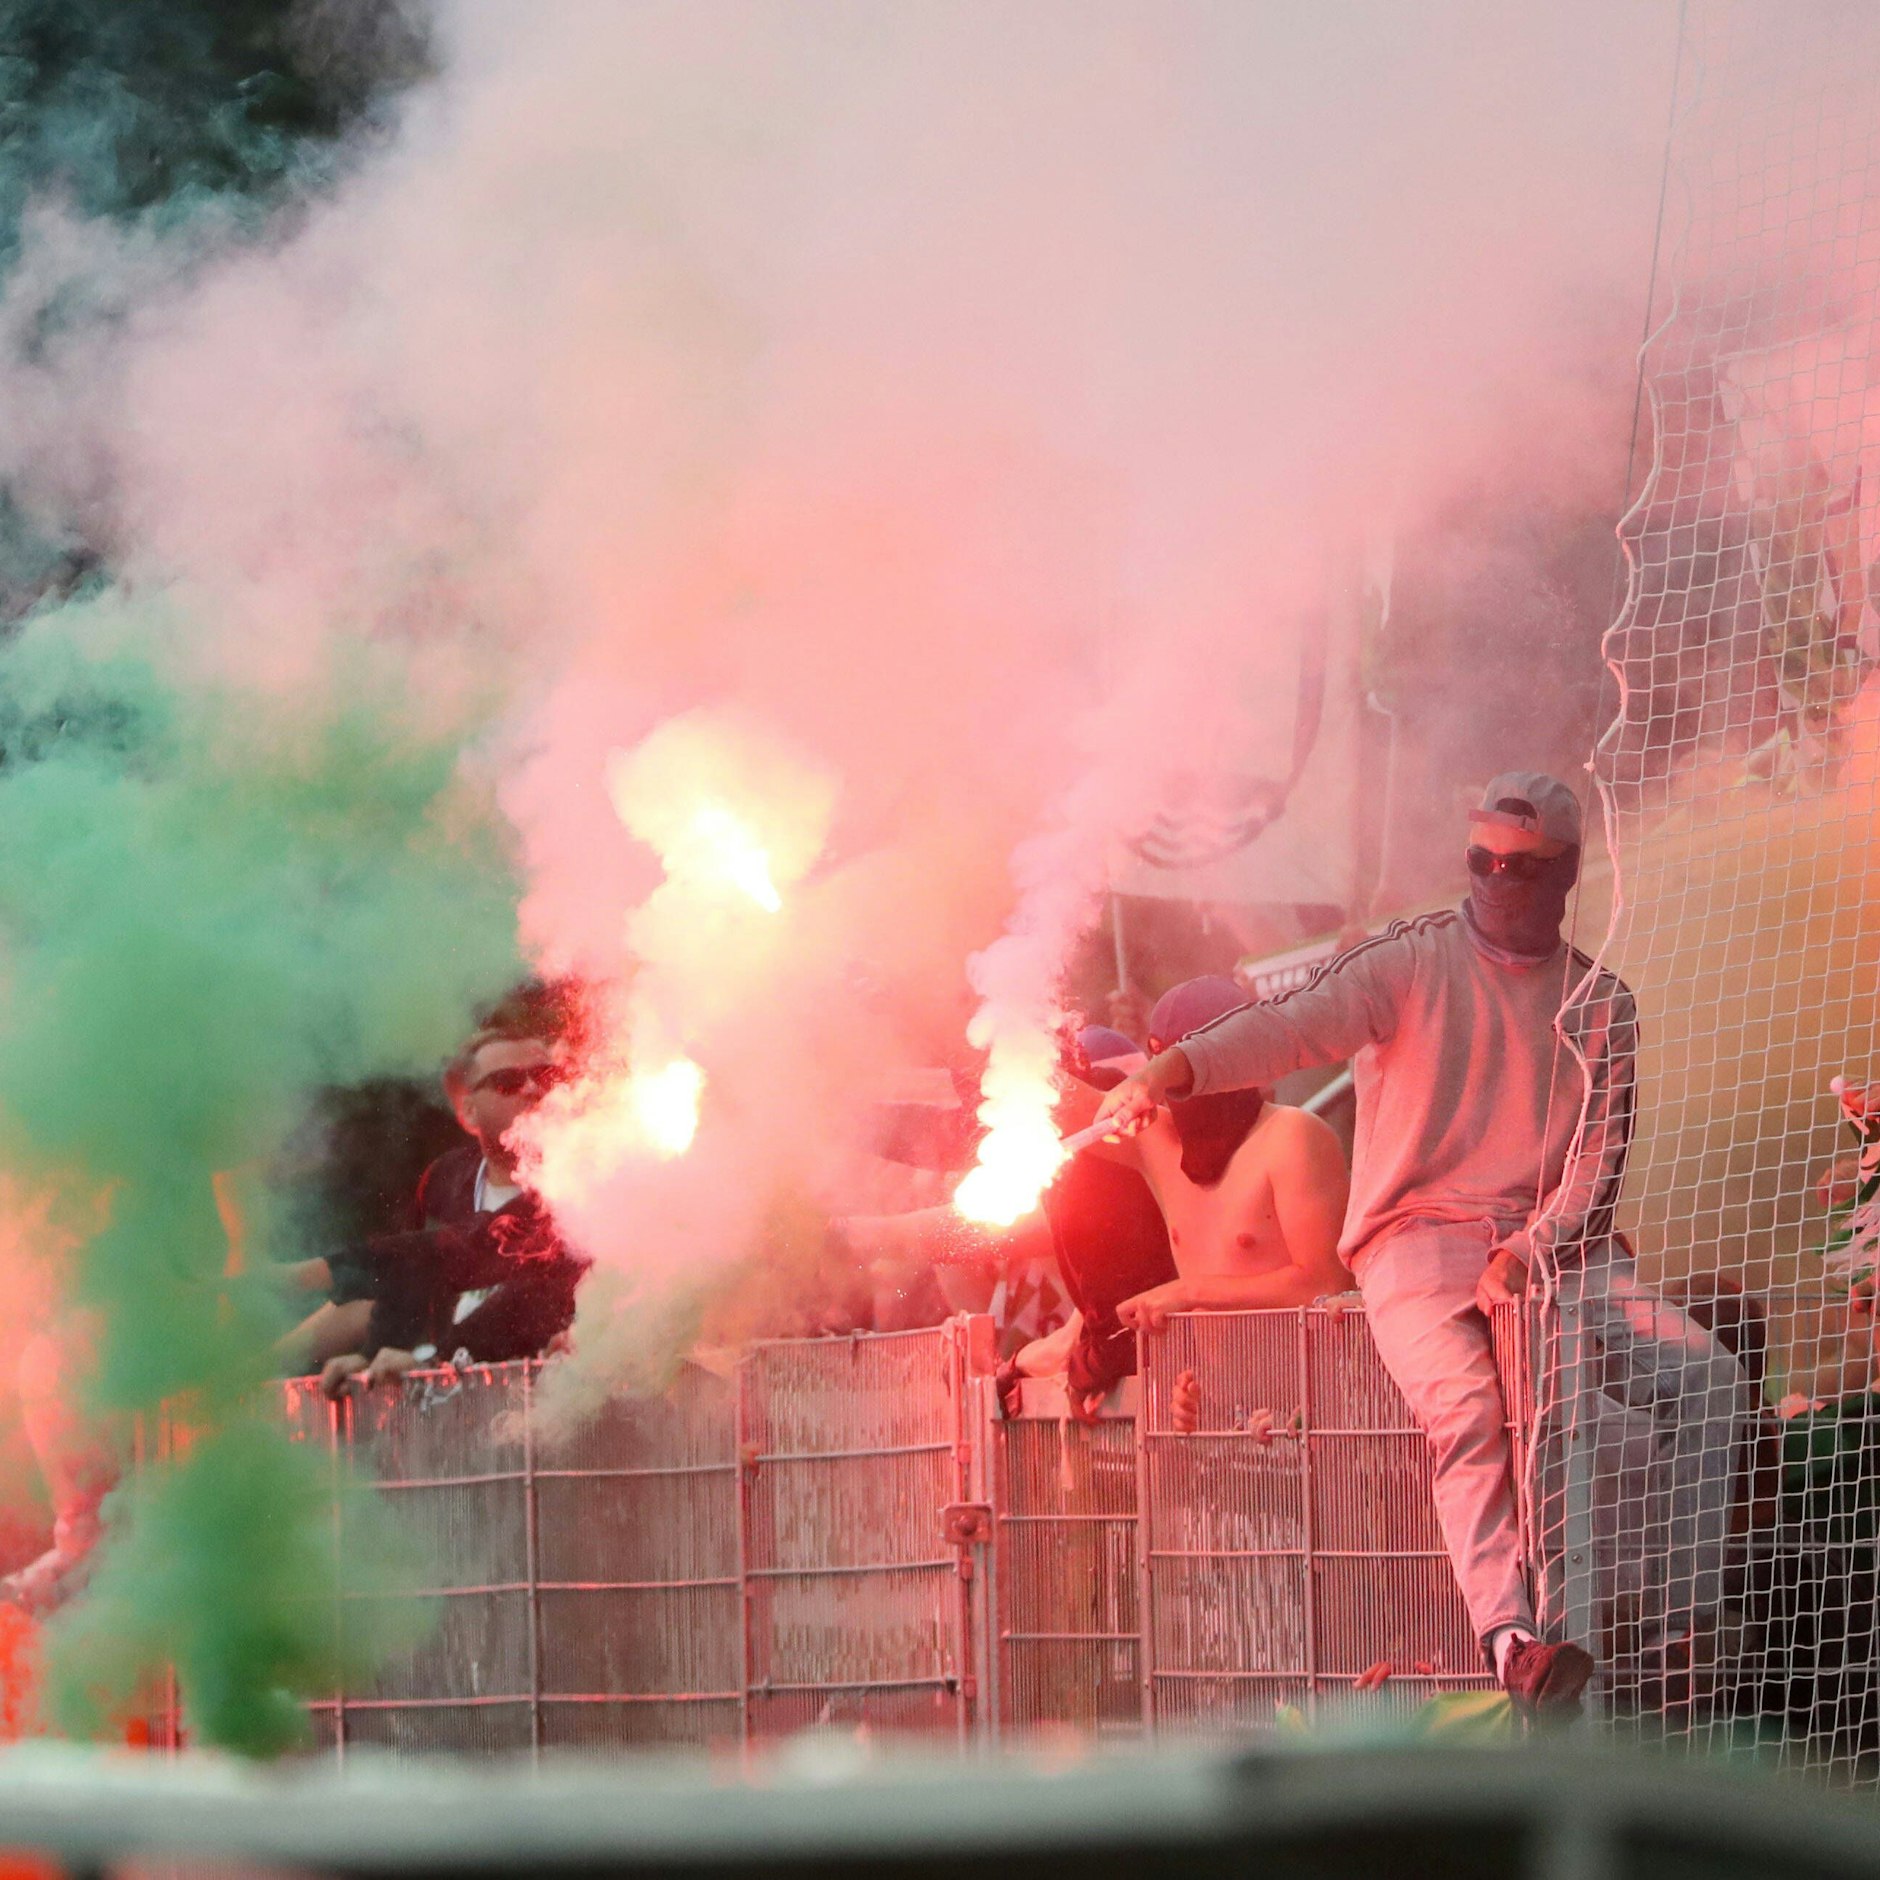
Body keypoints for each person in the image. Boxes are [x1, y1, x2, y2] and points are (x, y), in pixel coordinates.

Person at [1098, 771, 1746, 1721]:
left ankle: (1689, 1637)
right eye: (1480, 859)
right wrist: (1173, 1068)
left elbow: (1597, 1168)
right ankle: (1515, 1642)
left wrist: (1530, 1249)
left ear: (1565, 873)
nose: (1496, 879)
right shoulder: (1410, 962)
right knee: (1470, 1408)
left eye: (1520, 866)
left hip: (1561, 1248)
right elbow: (1288, 1025)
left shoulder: (1604, 1005)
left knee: (1710, 1380)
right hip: (1416, 1236)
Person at [300, 1011, 588, 1397]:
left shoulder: (587, 1185)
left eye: (547, 1076)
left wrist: (430, 1361)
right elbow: (406, 1281)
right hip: (452, 1413)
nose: (535, 1089)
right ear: (469, 1112)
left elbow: (523, 1302)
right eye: (509, 1082)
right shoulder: (446, 1181)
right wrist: (374, 1353)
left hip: (541, 1413)